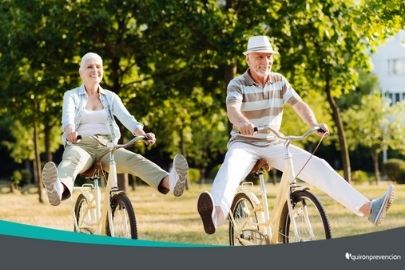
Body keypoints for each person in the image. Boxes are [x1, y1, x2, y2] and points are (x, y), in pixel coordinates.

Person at [197, 36, 394, 235]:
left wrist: (314, 124)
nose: (264, 61)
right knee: (230, 169)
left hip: (274, 141)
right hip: (244, 142)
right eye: (259, 57)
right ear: (247, 58)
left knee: (319, 165)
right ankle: (215, 215)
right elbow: (232, 108)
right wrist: (242, 123)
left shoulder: (279, 81)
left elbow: (299, 104)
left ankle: (369, 209)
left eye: (268, 56)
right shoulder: (237, 84)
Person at [42, 52, 188, 206]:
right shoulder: (71, 96)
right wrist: (70, 131)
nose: (95, 70)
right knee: (72, 160)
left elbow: (128, 120)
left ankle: (170, 182)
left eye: (98, 67)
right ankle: (57, 188)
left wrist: (143, 135)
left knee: (135, 160)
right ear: (81, 72)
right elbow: (68, 117)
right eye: (90, 66)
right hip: (80, 144)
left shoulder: (111, 97)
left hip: (108, 147)